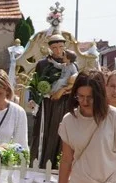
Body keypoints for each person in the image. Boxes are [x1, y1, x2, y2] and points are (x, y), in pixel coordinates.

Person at [31, 34, 80, 168]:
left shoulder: (72, 64)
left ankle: (58, 165)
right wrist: (33, 99)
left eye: (60, 47)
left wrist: (62, 91)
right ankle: (39, 164)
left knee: (59, 132)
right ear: (49, 48)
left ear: (65, 46)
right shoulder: (42, 64)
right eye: (54, 47)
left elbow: (76, 86)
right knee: (43, 132)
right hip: (46, 103)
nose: (58, 50)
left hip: (63, 104)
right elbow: (34, 83)